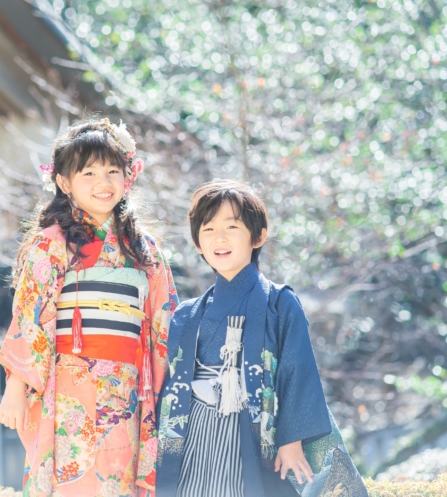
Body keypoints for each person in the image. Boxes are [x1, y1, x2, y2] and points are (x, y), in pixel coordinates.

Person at [0, 118, 178, 497]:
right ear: (64, 182)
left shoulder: (144, 250)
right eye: (89, 172)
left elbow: (164, 321)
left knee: (120, 483)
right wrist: (16, 386)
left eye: (113, 171)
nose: (103, 182)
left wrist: (168, 392)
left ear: (128, 177)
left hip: (127, 387)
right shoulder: (52, 243)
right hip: (68, 387)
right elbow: (31, 315)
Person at [156, 180, 367, 497]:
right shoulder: (187, 314)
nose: (220, 238)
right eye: (209, 229)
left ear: (258, 236)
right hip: (195, 429)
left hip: (252, 430)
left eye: (232, 226)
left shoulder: (280, 304)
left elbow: (298, 372)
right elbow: (170, 383)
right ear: (197, 243)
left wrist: (291, 439)